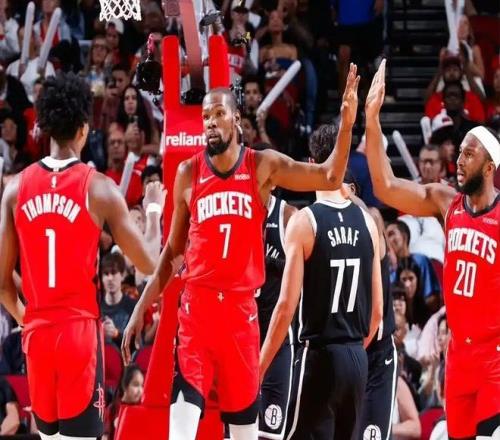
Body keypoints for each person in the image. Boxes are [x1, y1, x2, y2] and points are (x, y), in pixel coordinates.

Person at [122, 63, 362, 440]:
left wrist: (346, 125)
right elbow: (172, 253)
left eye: (218, 114)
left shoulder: (262, 166)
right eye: (205, 116)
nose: (210, 122)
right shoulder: (188, 173)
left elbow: (330, 176)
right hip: (197, 313)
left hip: (241, 316)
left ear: (236, 119)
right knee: (180, 430)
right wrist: (141, 306)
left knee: (245, 433)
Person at [0, 72, 156, 440]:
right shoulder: (99, 188)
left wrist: (29, 319)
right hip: (79, 335)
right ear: (84, 130)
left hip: (37, 337)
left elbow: (3, 285)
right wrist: (153, 209)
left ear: (44, 128)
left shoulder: (15, 189)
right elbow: (148, 262)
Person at [364, 61, 500, 439]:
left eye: (469, 154)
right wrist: (372, 120)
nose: (459, 161)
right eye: (460, 153)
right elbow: (385, 186)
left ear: (490, 166)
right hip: (457, 357)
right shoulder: (446, 202)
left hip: (494, 356)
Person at [259, 79, 385, 437]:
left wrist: (259, 367)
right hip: (357, 358)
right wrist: (352, 349)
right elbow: (377, 313)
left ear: (313, 164)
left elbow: (286, 307)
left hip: (319, 356)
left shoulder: (305, 221)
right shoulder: (368, 222)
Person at [255, 191, 296, 439]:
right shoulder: (237, 212)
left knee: (270, 433)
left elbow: (304, 273)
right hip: (242, 337)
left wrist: (269, 264)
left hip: (276, 338)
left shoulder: (288, 216)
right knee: (234, 431)